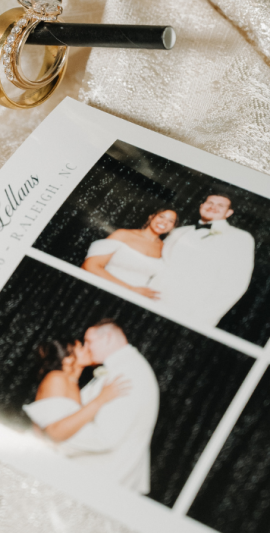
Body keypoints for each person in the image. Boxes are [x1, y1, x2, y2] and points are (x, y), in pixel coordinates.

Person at [57, 319, 160, 494]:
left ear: (108, 338)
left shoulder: (129, 374)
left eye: (89, 341)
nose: (86, 348)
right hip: (96, 477)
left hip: (101, 481)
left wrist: (55, 435)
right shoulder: (124, 366)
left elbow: (104, 437)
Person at [158, 192, 254, 327]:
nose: (213, 207)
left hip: (191, 314)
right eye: (210, 203)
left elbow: (235, 284)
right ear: (201, 206)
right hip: (154, 301)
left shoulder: (240, 238)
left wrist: (202, 319)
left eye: (220, 205)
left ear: (229, 213)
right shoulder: (179, 231)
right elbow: (160, 263)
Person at [23, 338, 130, 442]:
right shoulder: (56, 378)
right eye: (81, 347)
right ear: (67, 359)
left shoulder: (72, 383)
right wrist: (102, 399)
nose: (88, 349)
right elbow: (54, 432)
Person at [81, 207, 177, 300]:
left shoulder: (166, 249)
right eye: (161, 216)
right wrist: (130, 289)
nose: (164, 222)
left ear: (173, 227)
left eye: (170, 221)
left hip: (137, 301)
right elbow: (90, 266)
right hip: (104, 292)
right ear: (151, 217)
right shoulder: (123, 235)